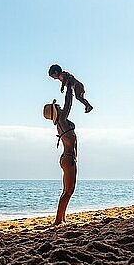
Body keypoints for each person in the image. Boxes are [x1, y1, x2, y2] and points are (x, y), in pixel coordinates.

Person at [43, 85, 77, 225]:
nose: (60, 106)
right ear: (56, 111)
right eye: (57, 106)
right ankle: (58, 220)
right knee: (68, 190)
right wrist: (70, 88)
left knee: (68, 190)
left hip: (68, 158)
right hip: (68, 158)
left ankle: (61, 218)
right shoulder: (62, 121)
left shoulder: (62, 122)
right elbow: (68, 104)